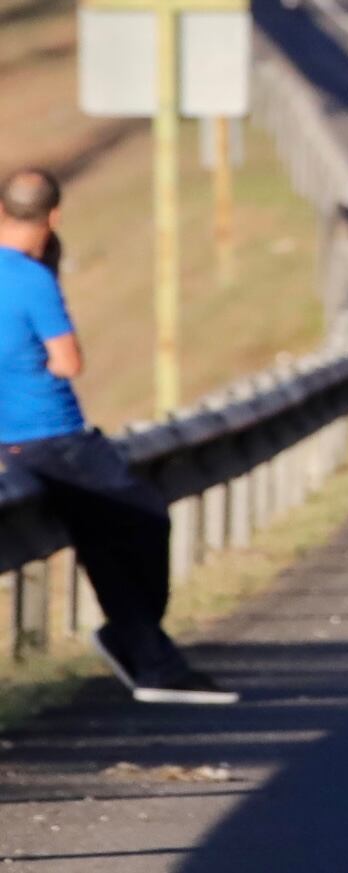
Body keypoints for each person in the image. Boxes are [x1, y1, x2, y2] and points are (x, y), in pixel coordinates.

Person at [0, 169, 236, 704]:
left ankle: (148, 656)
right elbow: (68, 361)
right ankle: (143, 649)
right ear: (54, 216)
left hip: (11, 442)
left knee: (102, 541)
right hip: (55, 433)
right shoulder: (32, 279)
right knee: (145, 518)